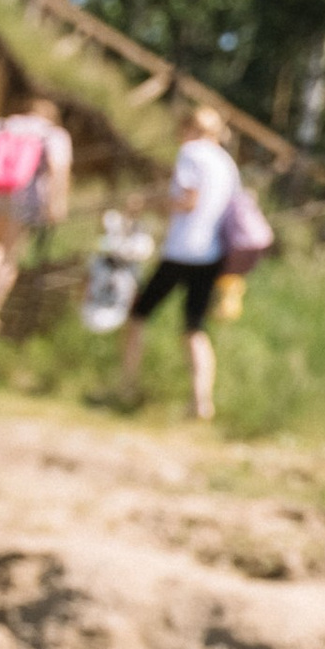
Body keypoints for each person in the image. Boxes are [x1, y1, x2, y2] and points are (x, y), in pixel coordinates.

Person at [122, 103, 238, 423]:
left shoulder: (191, 153)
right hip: (213, 254)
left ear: (189, 128)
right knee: (194, 327)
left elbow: (188, 201)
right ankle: (201, 401)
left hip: (182, 250)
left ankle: (126, 387)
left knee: (138, 314)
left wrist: (147, 204)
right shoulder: (227, 162)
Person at [0, 99, 71, 335]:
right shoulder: (54, 135)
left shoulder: (3, 125)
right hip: (25, 197)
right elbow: (57, 169)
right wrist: (57, 203)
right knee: (11, 253)